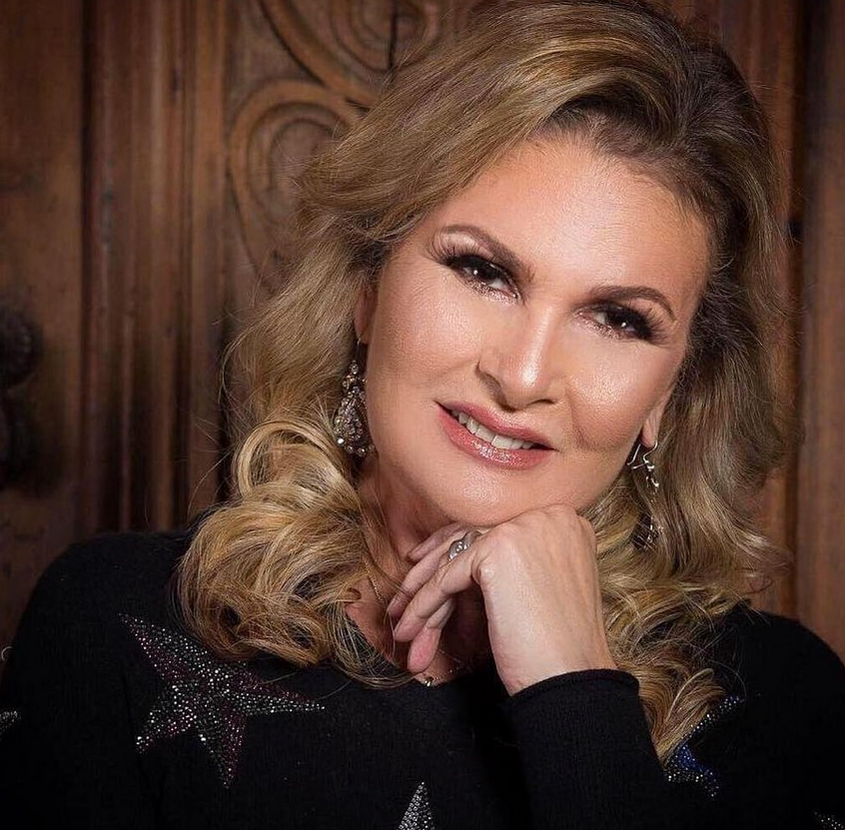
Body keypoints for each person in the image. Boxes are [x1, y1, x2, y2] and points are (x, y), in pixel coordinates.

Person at [1, 0, 843, 827]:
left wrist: (576, 691)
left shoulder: (778, 705)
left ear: (670, 389)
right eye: (483, 272)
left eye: (618, 320)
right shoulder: (118, 627)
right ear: (367, 288)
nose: (522, 376)